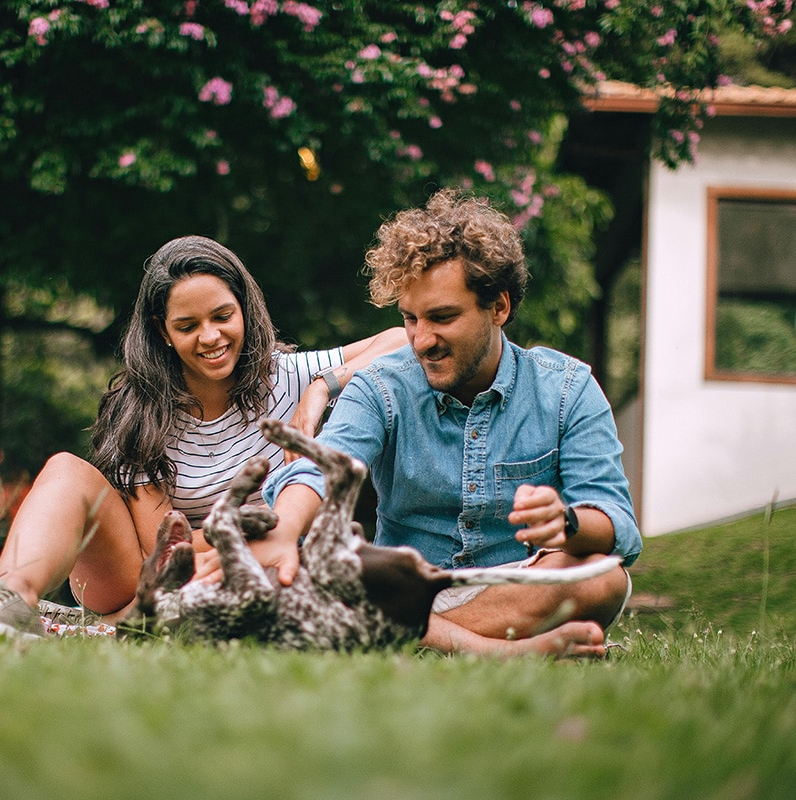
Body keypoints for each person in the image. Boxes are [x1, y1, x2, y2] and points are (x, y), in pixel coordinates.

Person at [0, 235, 406, 637]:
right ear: (162, 333)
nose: (210, 337)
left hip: (261, 571)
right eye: (187, 326)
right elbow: (163, 551)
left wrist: (325, 385)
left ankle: (140, 623)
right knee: (65, 469)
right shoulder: (140, 411)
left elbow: (403, 339)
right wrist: (260, 522)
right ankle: (6, 601)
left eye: (223, 316)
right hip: (149, 575)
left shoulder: (286, 377)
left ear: (244, 309)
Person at [261, 189, 642, 658]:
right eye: (410, 319)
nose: (422, 340)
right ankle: (495, 648)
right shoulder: (381, 385)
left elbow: (617, 523)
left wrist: (564, 521)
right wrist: (285, 530)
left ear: (498, 307)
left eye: (442, 318)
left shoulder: (567, 389)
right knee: (301, 568)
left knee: (603, 576)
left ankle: (399, 637)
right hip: (404, 587)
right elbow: (324, 468)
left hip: (519, 585)